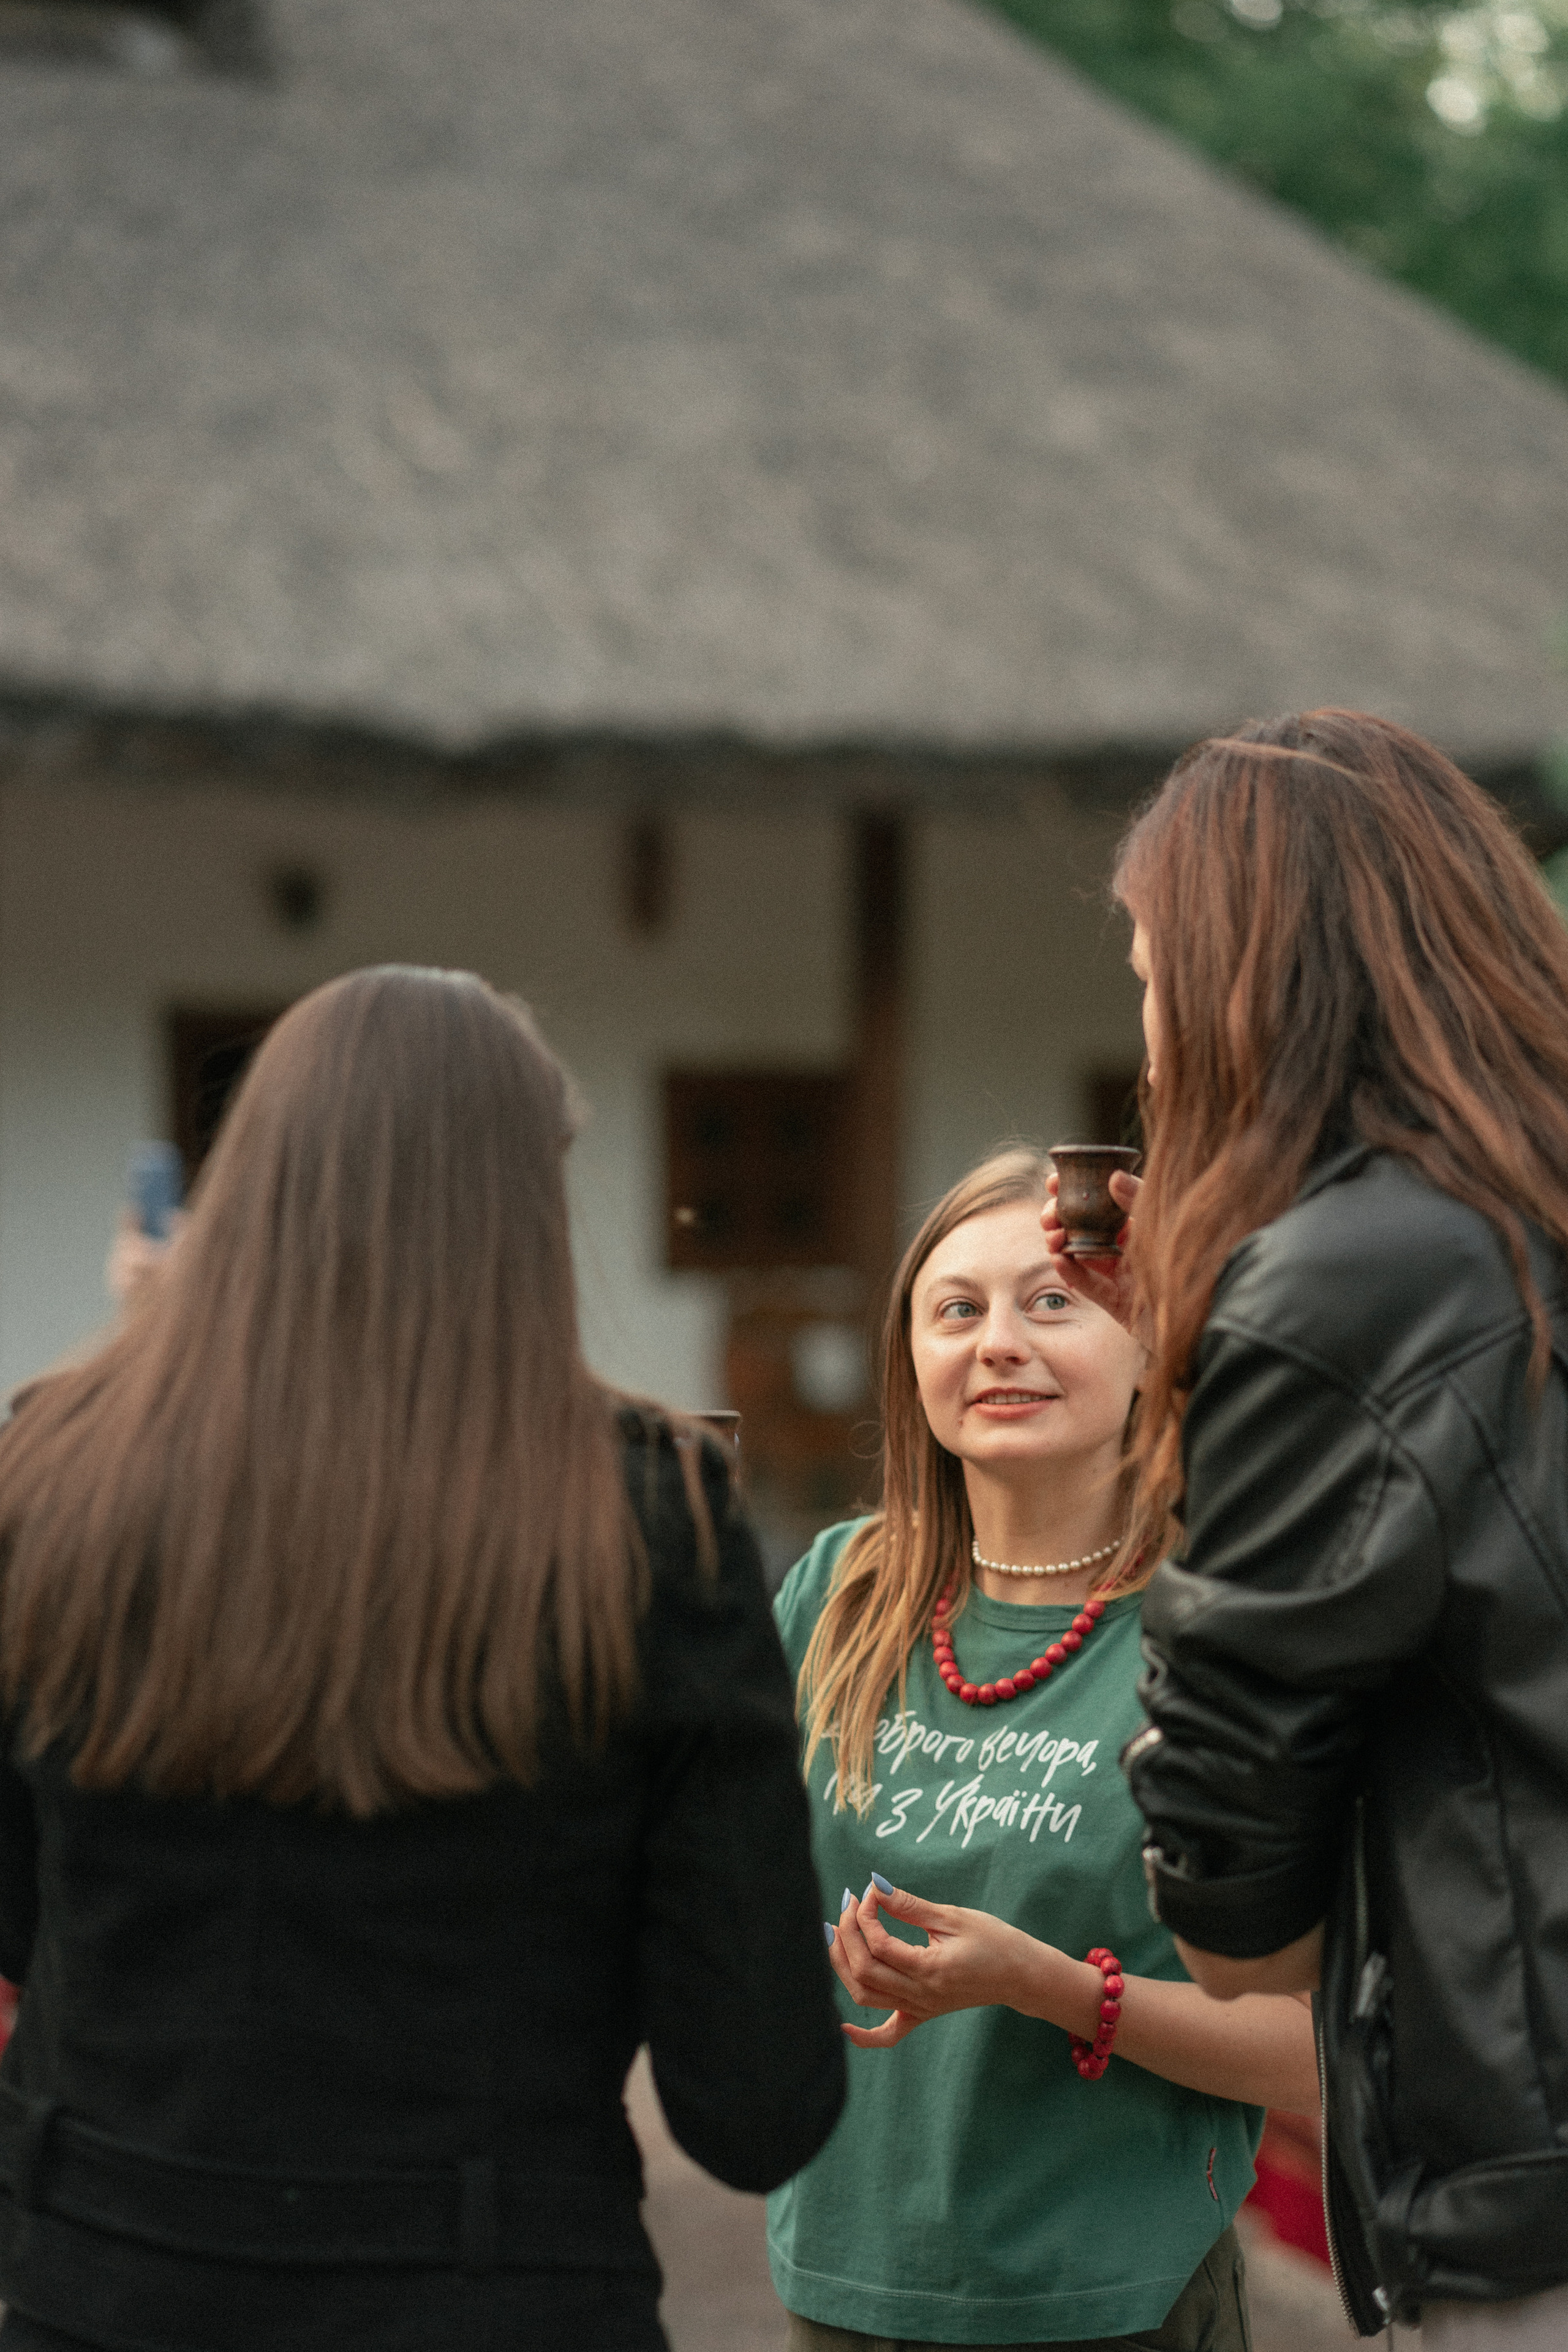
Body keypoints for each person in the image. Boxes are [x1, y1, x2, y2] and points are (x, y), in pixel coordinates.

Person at [0, 966, 845, 2352]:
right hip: (491, 2289)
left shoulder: (50, 1475)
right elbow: (753, 2101)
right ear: (524, 1205)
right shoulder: (655, 1521)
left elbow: (22, 1912)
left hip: (107, 2282)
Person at [1065, 713, 1568, 2344]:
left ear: (1238, 983)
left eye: (1147, 981)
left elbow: (1239, 1905)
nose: (1144, 1049)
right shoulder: (1506, 1229)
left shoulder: (1352, 1278)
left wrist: (1237, 1369)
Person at [767, 1147, 1319, 2352]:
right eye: (954, 1309)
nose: (997, 1342)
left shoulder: (1223, 1625)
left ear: (1141, 1340)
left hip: (1115, 2303)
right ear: (908, 1357)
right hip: (841, 2288)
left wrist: (1049, 1988)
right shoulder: (835, 1593)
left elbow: (1316, 2056)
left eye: (1051, 1300)